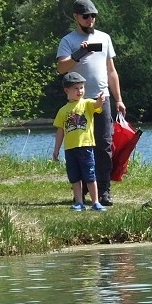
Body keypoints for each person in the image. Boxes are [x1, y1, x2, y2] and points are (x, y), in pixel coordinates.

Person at [56, 0, 126, 206]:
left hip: (100, 99)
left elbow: (111, 71)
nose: (90, 20)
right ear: (76, 17)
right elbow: (61, 68)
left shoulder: (104, 38)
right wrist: (80, 53)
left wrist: (118, 99)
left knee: (103, 145)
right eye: (86, 16)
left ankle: (104, 191)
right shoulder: (68, 41)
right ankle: (82, 191)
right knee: (79, 146)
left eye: (93, 16)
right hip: (78, 102)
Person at [51, 71, 109, 212]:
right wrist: (56, 149)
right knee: (74, 176)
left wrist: (100, 101)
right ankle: (79, 202)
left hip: (86, 146)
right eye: (76, 88)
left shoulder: (87, 103)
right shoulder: (63, 110)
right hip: (70, 149)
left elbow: (96, 105)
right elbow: (60, 131)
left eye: (82, 87)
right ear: (67, 90)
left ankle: (95, 202)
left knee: (89, 175)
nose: (80, 91)